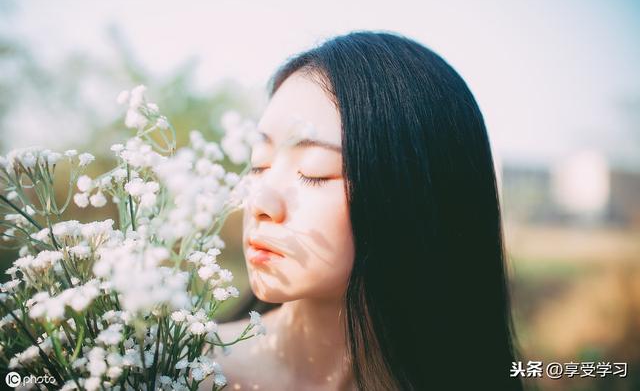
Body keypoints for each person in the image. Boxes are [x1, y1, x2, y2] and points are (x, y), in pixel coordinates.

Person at [200, 31, 524, 391]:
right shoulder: (178, 368)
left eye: (314, 170)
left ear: (411, 195)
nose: (260, 202)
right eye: (259, 163)